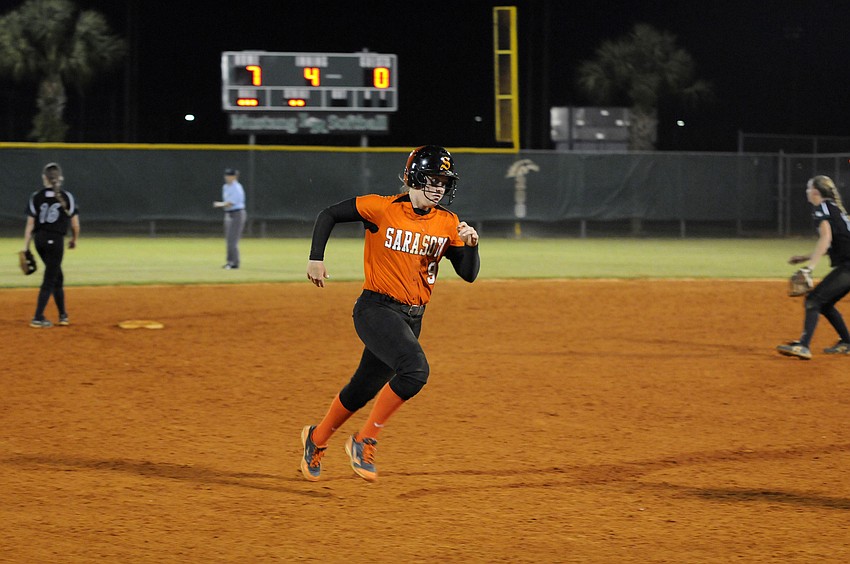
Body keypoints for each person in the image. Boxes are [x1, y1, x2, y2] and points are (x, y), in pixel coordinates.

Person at [300, 145, 480, 482]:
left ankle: (316, 438)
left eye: (445, 180)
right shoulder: (381, 208)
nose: (440, 186)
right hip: (376, 309)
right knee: (414, 371)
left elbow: (468, 274)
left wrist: (471, 246)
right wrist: (316, 257)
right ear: (413, 176)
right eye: (433, 178)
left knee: (363, 388)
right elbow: (329, 214)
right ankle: (363, 439)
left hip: (413, 318)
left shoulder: (449, 222)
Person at [777, 175, 850, 360]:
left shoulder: (822, 209)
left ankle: (803, 346)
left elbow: (826, 239)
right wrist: (804, 258)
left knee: (813, 300)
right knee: (824, 304)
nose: (807, 191)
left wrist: (810, 268)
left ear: (816, 192)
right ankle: (847, 342)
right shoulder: (833, 209)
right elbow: (834, 243)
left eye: (809, 188)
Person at [22, 162, 80, 328]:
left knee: (57, 276)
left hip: (39, 241)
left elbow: (30, 225)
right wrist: (74, 240)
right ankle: (38, 317)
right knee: (50, 278)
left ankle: (63, 315)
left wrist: (26, 247)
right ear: (60, 178)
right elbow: (75, 225)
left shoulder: (36, 196)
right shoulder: (67, 196)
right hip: (55, 241)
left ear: (44, 179)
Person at [213, 167, 246, 269]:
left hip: (237, 214)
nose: (228, 177)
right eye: (227, 175)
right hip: (228, 214)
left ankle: (234, 263)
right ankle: (229, 262)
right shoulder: (225, 187)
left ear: (234, 177)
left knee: (233, 240)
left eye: (230, 175)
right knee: (229, 240)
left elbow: (231, 203)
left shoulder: (237, 187)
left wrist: (219, 204)